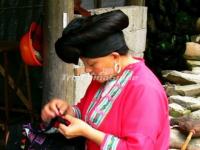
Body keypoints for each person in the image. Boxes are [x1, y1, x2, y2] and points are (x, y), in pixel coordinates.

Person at [41, 10, 170, 150]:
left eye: (91, 64)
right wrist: (67, 111)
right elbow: (85, 111)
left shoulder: (145, 89)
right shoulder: (104, 76)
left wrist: (88, 132)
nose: (87, 70)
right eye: (85, 64)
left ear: (114, 57)